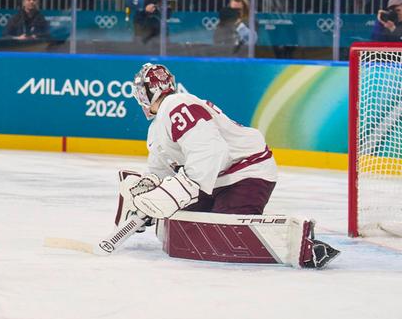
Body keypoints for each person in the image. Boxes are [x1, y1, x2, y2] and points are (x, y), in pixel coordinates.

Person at [115, 63, 339, 268]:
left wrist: (179, 190)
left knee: (223, 235)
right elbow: (158, 171)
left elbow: (211, 151)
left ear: (145, 93)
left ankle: (304, 245)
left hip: (246, 172)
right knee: (180, 225)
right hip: (212, 180)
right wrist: (144, 206)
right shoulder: (157, 128)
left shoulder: (178, 105)